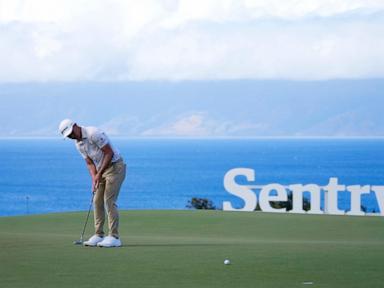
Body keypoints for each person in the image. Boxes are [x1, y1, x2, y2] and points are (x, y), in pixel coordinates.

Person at [59, 119, 126, 247]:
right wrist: (94, 178)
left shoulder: (93, 133)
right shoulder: (78, 144)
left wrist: (99, 174)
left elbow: (109, 153)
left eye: (71, 133)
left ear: (75, 126)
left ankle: (114, 237)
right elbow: (89, 163)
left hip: (115, 167)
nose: (71, 137)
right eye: (68, 136)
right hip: (102, 169)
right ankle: (99, 234)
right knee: (97, 200)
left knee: (109, 200)